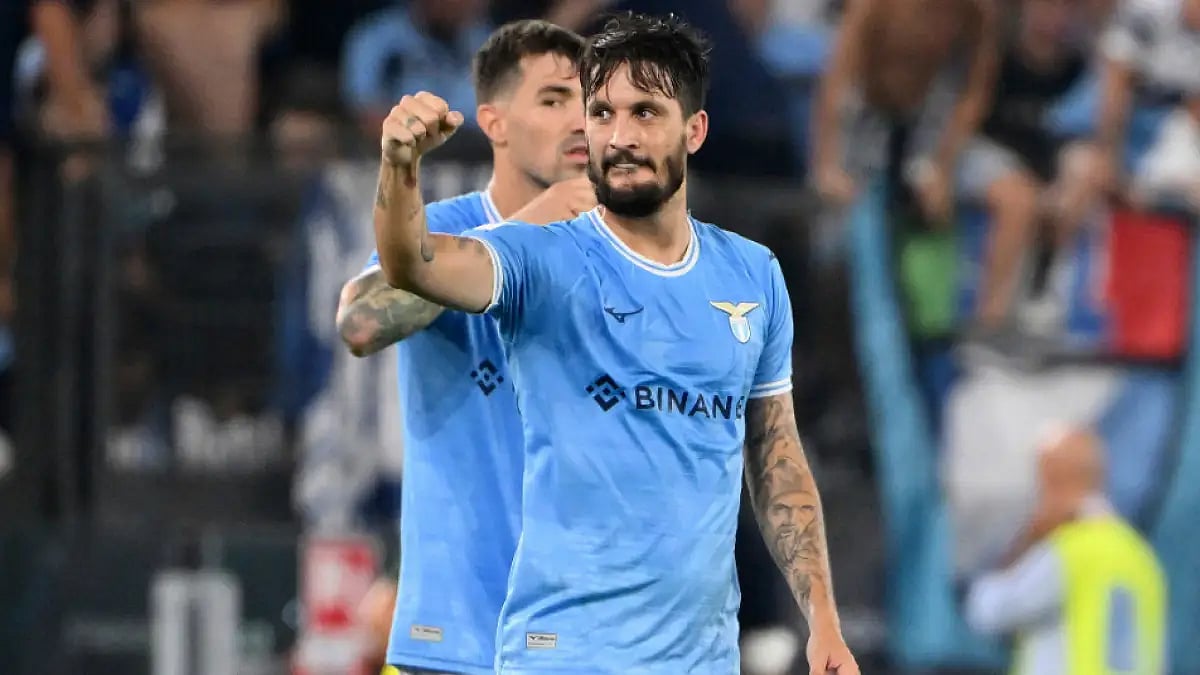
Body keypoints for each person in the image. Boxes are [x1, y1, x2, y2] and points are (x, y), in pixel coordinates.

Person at [372, 12, 859, 675]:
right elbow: (414, 266)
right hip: (563, 657)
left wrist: (822, 616)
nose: (620, 135)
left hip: (700, 660)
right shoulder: (541, 256)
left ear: (695, 130)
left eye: (645, 113)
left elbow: (776, 457)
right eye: (602, 113)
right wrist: (399, 167)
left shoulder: (753, 274)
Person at [336, 20, 595, 675]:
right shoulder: (442, 233)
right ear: (495, 122)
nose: (579, 122)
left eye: (589, 103)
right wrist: (528, 231)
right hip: (454, 644)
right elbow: (361, 323)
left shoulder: (622, 258)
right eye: (553, 99)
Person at [965, 426, 1166, 675]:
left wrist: (1023, 544)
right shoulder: (1139, 556)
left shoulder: (1070, 552)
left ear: (1053, 480)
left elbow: (987, 611)